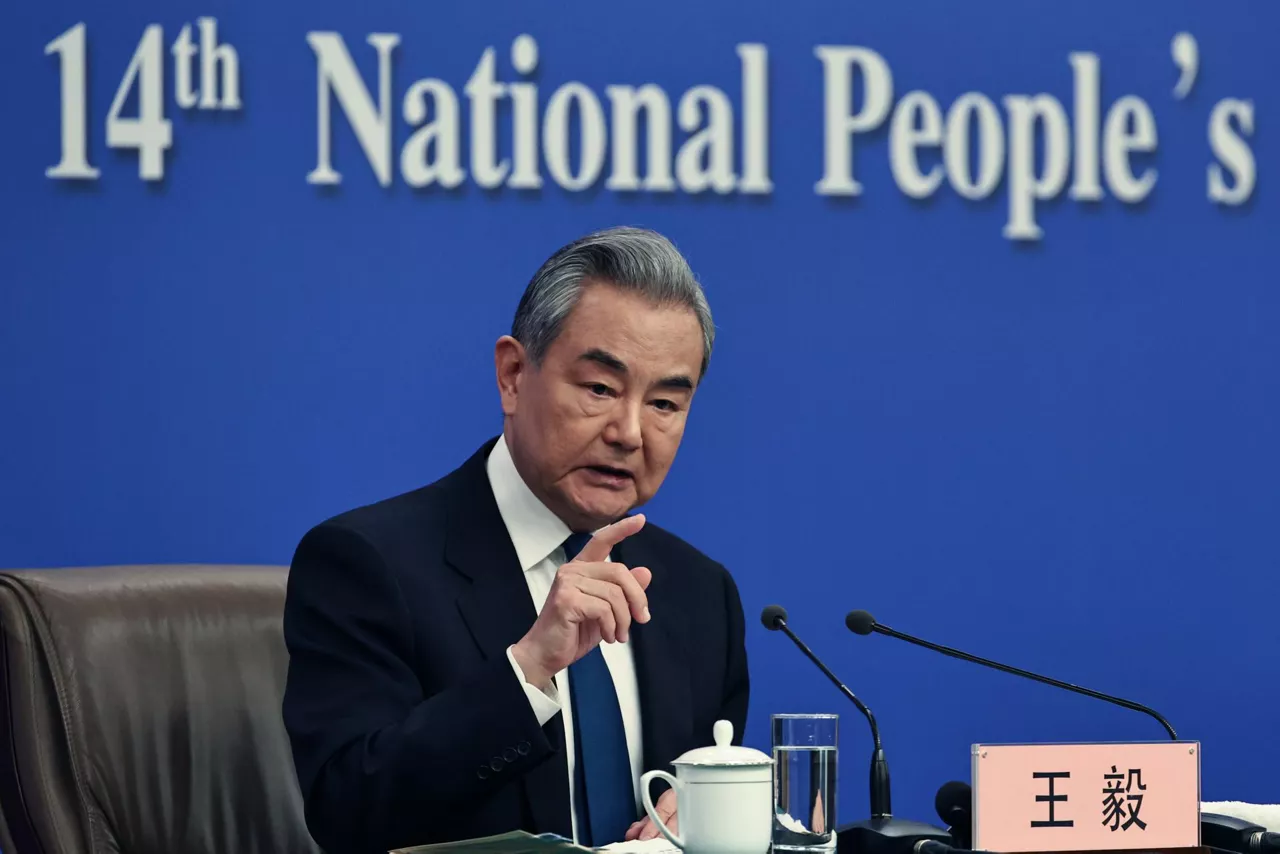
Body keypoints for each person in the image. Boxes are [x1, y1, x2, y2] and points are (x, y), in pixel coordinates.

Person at [282, 226, 750, 854]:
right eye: (600, 389)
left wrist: (710, 812)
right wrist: (527, 671)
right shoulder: (367, 563)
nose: (630, 432)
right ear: (512, 375)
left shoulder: (700, 593)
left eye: (664, 403)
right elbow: (347, 814)